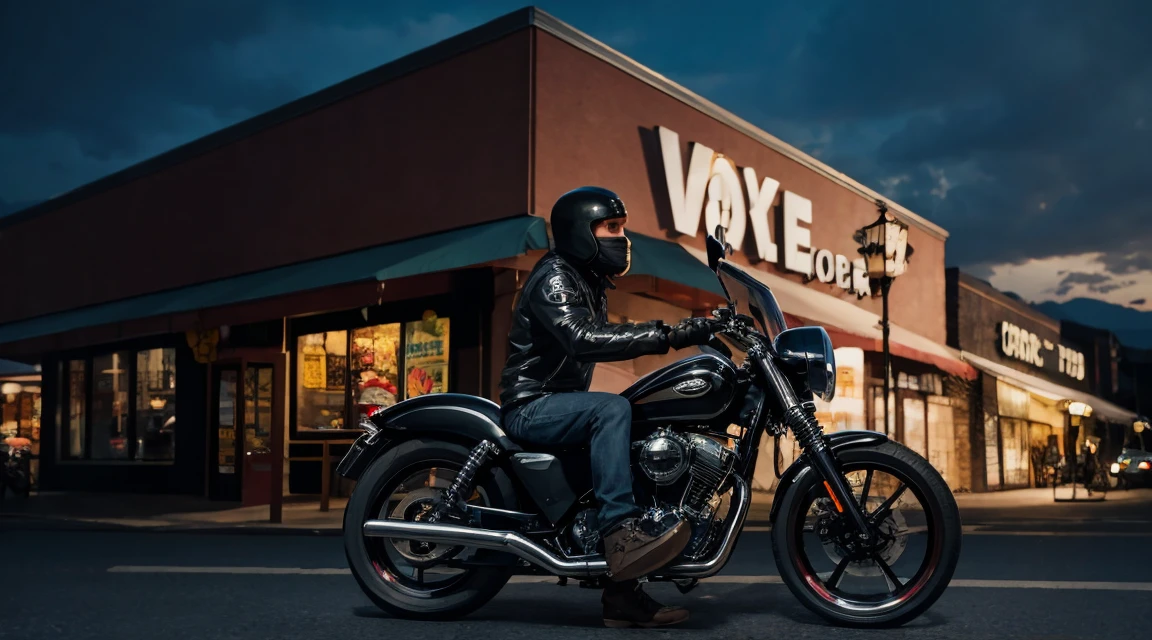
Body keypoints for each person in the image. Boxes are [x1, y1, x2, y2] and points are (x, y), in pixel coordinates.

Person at [498, 186, 715, 628]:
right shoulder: (555, 276)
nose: (624, 237)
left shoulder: (588, 281)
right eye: (612, 228)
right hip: (532, 404)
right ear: (582, 232)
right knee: (611, 409)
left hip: (557, 402)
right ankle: (621, 533)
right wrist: (670, 335)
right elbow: (581, 338)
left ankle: (622, 597)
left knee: (639, 427)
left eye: (623, 227)